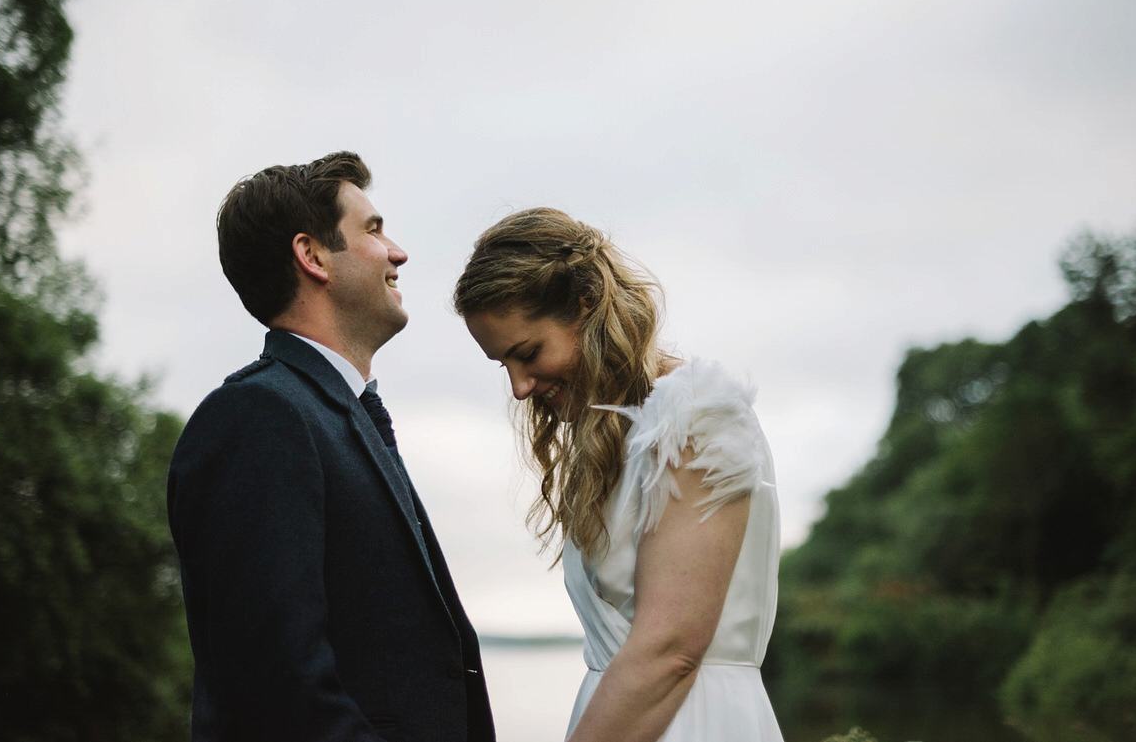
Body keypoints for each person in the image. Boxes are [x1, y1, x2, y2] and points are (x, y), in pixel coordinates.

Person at [168, 151, 494, 742]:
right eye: (373, 230)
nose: (398, 252)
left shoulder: (332, 413)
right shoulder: (258, 417)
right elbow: (275, 683)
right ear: (311, 255)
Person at [453, 207, 784, 742]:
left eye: (528, 353)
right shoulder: (617, 438)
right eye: (503, 366)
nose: (519, 387)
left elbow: (670, 652)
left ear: (585, 306)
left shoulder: (695, 415)